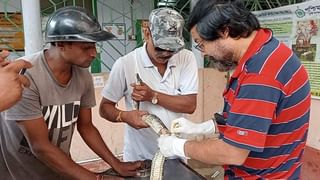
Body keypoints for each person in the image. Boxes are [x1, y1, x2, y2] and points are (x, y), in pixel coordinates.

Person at [158, 0, 311, 179]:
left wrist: (178, 146)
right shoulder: (265, 53)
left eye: (201, 43)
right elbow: (251, 120)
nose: (203, 53)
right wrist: (205, 128)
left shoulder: (260, 74)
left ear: (224, 31)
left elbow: (232, 152)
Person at [0, 6, 142, 180]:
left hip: (58, 168)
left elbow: (86, 126)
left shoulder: (83, 76)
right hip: (19, 172)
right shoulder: (26, 76)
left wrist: (116, 164)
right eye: (85, 47)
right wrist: (98, 178)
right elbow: (40, 146)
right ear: (61, 44)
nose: (93, 53)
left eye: (94, 46)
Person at [99, 7, 198, 162]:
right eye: (160, 47)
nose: (165, 53)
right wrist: (124, 116)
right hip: (140, 157)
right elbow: (104, 108)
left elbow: (190, 105)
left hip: (176, 154)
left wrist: (153, 96)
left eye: (171, 49)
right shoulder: (126, 64)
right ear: (147, 33)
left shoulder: (186, 58)